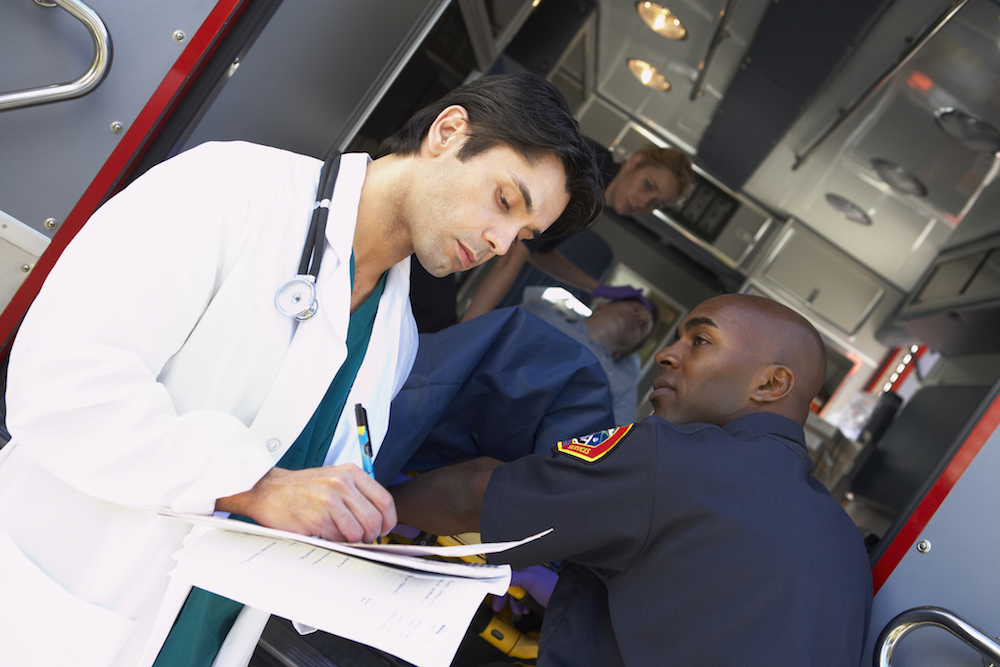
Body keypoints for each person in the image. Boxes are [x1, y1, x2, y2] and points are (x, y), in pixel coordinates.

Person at [0, 73, 603, 667]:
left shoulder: (397, 339)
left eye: (522, 235)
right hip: (55, 612)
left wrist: (350, 537)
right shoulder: (233, 187)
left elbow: (303, 506)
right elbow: (60, 382)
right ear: (447, 132)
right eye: (503, 201)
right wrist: (258, 486)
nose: (501, 242)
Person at [390, 293, 874, 666]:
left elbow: (472, 494)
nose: (666, 353)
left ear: (771, 384)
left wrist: (372, 500)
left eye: (699, 341)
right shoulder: (846, 547)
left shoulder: (675, 456)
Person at [457, 143, 693, 323]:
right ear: (634, 162)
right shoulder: (589, 174)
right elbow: (513, 256)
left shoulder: (595, 195)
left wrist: (599, 288)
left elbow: (537, 250)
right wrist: (462, 336)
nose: (644, 203)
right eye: (648, 185)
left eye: (655, 203)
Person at [519, 286, 657, 424]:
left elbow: (613, 440)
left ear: (623, 352)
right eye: (635, 309)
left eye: (643, 326)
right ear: (602, 305)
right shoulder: (540, 315)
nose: (640, 318)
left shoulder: (624, 387)